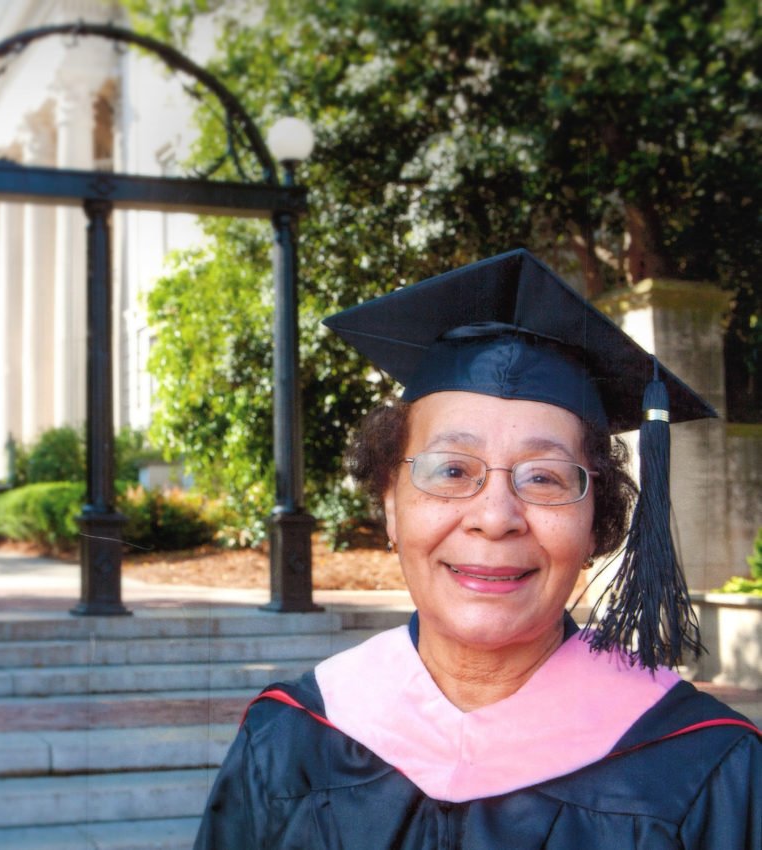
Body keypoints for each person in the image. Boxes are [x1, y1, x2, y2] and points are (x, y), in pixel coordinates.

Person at [194, 250, 760, 849]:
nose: (495, 518)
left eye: (544, 477)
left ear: (598, 523)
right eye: (451, 470)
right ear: (390, 505)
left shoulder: (704, 768)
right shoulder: (290, 739)